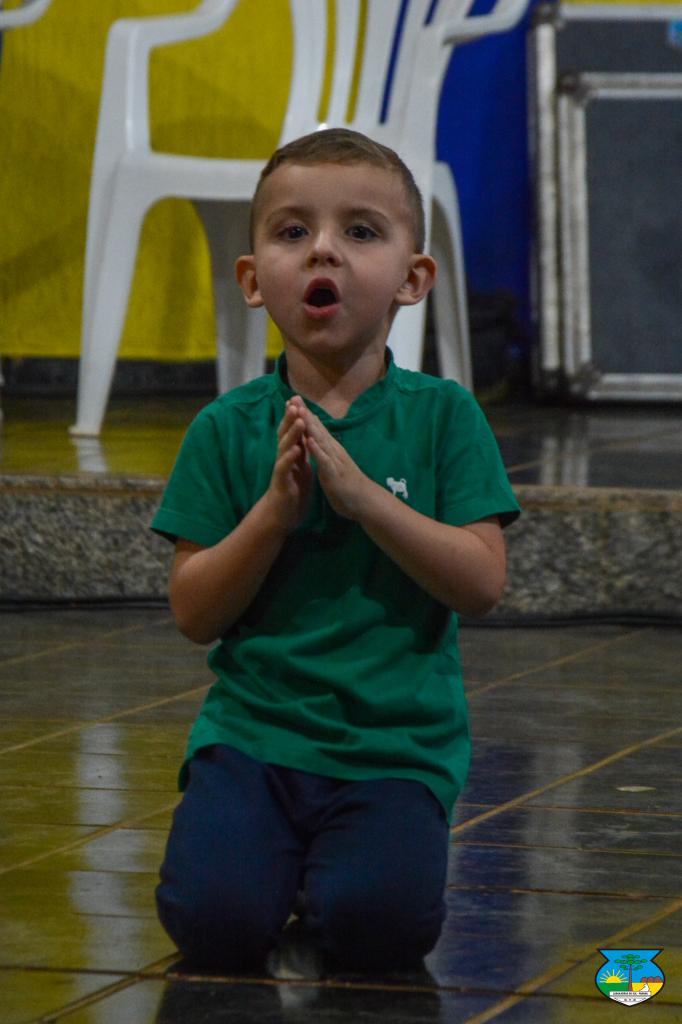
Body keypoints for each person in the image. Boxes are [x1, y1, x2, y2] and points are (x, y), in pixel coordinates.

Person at [152, 127, 520, 974]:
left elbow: (482, 584)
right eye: (293, 231)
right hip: (254, 739)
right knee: (211, 923)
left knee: (378, 928)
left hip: (395, 750)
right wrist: (272, 517)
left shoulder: (444, 418)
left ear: (412, 279)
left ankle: (335, 876)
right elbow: (195, 612)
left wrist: (364, 502)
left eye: (360, 230)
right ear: (254, 279)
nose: (323, 249)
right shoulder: (225, 429)